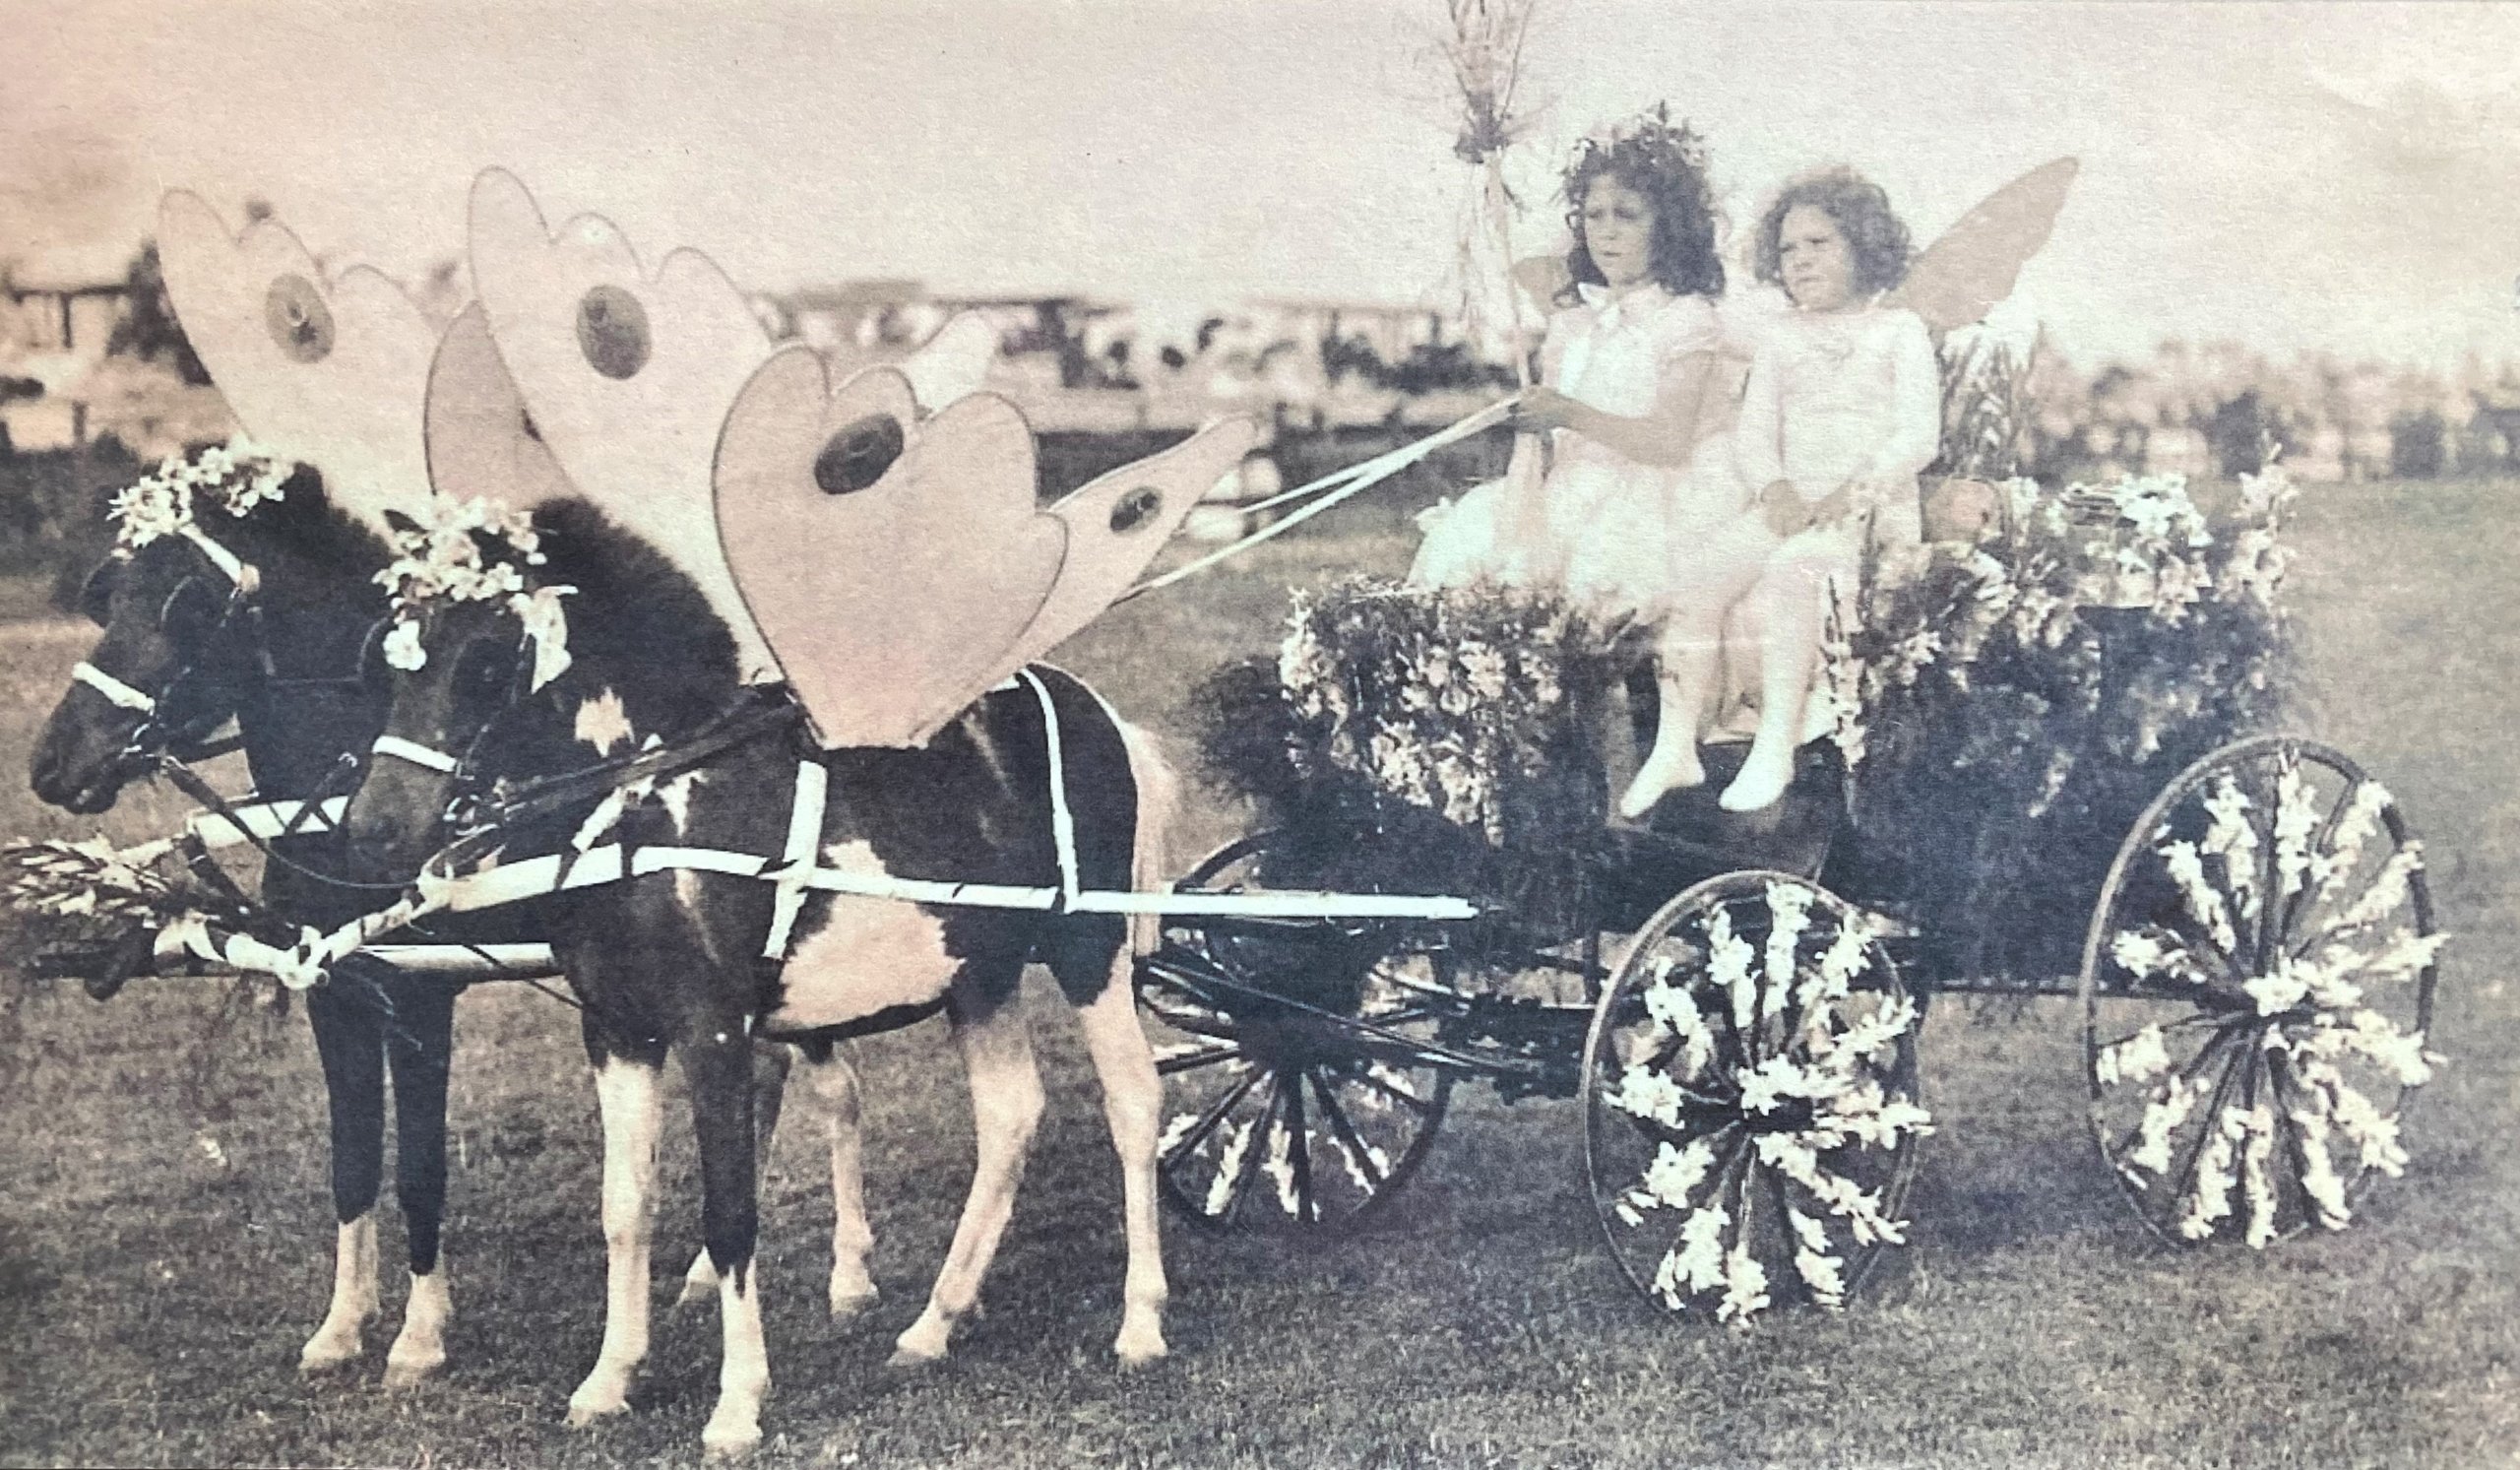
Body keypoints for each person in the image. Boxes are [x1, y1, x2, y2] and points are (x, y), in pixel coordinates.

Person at [1409, 107, 1733, 622]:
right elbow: (1554, 437)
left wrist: (1567, 413)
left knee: (1582, 580)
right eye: (1593, 216)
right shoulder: (1575, 324)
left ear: (1669, 226)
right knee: (1473, 547)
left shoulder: (1686, 320)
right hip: (1566, 493)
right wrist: (1536, 433)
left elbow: (1670, 441)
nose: (1605, 234)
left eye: (1627, 215)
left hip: (1643, 501)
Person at [1699, 166, 1940, 813]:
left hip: (1869, 516)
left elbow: (1919, 436)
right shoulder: (1780, 338)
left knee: (1794, 568)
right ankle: (1684, 739)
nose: (1799, 260)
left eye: (1818, 244)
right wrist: (1774, 488)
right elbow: (1755, 435)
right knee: (1701, 572)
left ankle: (1775, 741)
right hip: (1793, 507)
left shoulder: (1899, 330)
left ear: (1862, 245)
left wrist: (1849, 493)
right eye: (1787, 249)